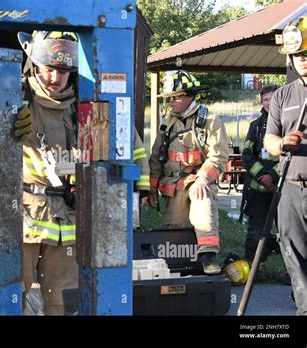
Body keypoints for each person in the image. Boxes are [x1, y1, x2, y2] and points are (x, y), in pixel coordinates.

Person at [14, 31, 150, 315]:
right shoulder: (17, 97)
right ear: (36, 64)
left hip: (68, 217)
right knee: (14, 293)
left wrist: (141, 186)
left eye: (63, 72)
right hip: (26, 215)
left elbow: (130, 145)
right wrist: (8, 123)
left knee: (62, 300)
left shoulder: (87, 104)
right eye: (50, 69)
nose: (56, 78)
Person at [148, 70, 230, 274]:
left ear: (189, 95)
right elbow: (156, 158)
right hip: (173, 186)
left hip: (197, 181)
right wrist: (150, 189)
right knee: (177, 234)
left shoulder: (209, 121)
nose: (171, 102)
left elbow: (218, 156)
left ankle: (209, 257)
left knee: (202, 204)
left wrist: (203, 179)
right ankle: (182, 270)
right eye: (169, 98)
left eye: (175, 97)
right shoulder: (167, 124)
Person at [264, 16, 307, 315]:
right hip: (290, 189)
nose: (303, 59)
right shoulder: (282, 95)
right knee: (294, 256)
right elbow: (269, 139)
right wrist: (281, 144)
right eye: (299, 54)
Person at [240, 85, 280, 263]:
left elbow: (294, 157)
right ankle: (252, 269)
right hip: (258, 190)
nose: (269, 103)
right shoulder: (255, 126)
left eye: (272, 99)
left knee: (289, 232)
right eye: (265, 99)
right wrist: (263, 176)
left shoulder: (290, 125)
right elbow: (247, 155)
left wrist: (273, 175)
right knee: (256, 232)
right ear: (261, 101)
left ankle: (293, 273)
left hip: (283, 189)